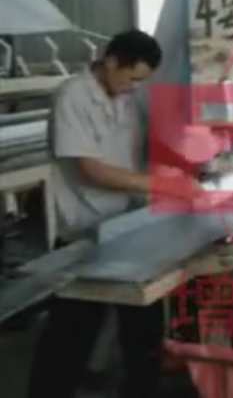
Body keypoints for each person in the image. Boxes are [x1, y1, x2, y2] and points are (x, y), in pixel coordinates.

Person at [28, 29, 201, 398]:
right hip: (85, 229)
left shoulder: (128, 96)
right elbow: (91, 171)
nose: (135, 87)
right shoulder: (73, 96)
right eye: (132, 78)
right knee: (72, 332)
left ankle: (140, 390)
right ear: (110, 62)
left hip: (128, 225)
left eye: (142, 81)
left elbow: (151, 144)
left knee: (143, 327)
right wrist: (163, 185)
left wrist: (188, 157)